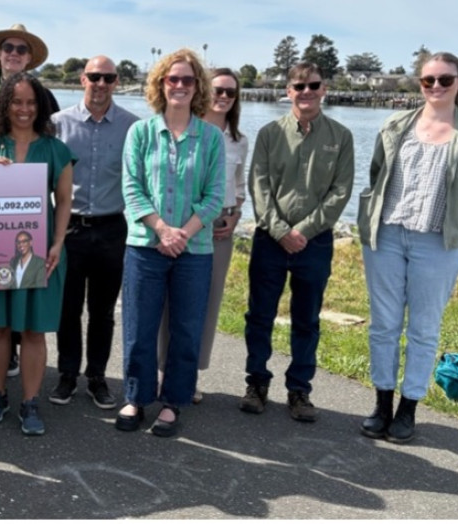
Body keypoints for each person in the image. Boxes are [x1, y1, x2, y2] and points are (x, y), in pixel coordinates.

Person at [358, 52, 458, 443]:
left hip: (437, 242)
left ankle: (409, 407)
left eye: (445, 80)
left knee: (423, 328)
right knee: (384, 324)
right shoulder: (395, 124)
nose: (436, 87)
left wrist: (453, 226)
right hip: (386, 235)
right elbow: (376, 175)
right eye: (428, 80)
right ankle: (382, 402)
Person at [117, 49, 224, 438]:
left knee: (186, 327)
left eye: (188, 80)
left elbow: (215, 196)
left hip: (194, 252)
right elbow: (131, 187)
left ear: (198, 88)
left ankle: (173, 402)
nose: (180, 86)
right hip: (145, 245)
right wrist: (162, 229)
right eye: (172, 79)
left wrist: (183, 233)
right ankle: (135, 396)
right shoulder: (141, 133)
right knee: (139, 326)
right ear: (160, 84)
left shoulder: (211, 137)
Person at [242, 61, 354, 423]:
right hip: (269, 241)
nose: (306, 92)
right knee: (260, 315)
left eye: (313, 85)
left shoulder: (341, 137)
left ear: (324, 89)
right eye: (299, 86)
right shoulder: (269, 134)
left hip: (315, 243)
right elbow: (258, 186)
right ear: (288, 91)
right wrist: (279, 230)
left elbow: (340, 192)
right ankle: (256, 383)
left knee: (307, 320)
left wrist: (303, 232)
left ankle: (299, 390)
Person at [0, 73, 74, 436]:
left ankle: (30, 402)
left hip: (38, 248)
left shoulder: (56, 149)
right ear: (4, 105)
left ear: (40, 106)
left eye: (31, 102)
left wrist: (58, 242)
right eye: (16, 102)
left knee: (32, 329)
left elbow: (63, 202)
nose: (24, 109)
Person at [0, 23, 60, 377]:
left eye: (21, 48)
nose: (14, 53)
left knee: (27, 291)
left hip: (29, 217)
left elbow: (51, 158)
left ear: (30, 57)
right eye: (8, 47)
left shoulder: (45, 98)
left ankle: (19, 357)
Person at [49, 56, 138, 410]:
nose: (101, 84)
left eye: (108, 78)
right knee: (67, 310)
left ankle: (97, 377)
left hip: (112, 228)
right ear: (82, 79)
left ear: (116, 82)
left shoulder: (133, 127)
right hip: (69, 230)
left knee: (102, 312)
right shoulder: (57, 124)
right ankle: (67, 375)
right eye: (94, 77)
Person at [158, 67, 248, 404]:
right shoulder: (188, 128)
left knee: (205, 304)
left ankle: (190, 372)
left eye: (230, 93)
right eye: (218, 90)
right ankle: (164, 369)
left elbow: (238, 186)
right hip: (184, 224)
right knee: (170, 302)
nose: (223, 97)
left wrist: (236, 214)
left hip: (221, 228)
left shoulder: (239, 139)